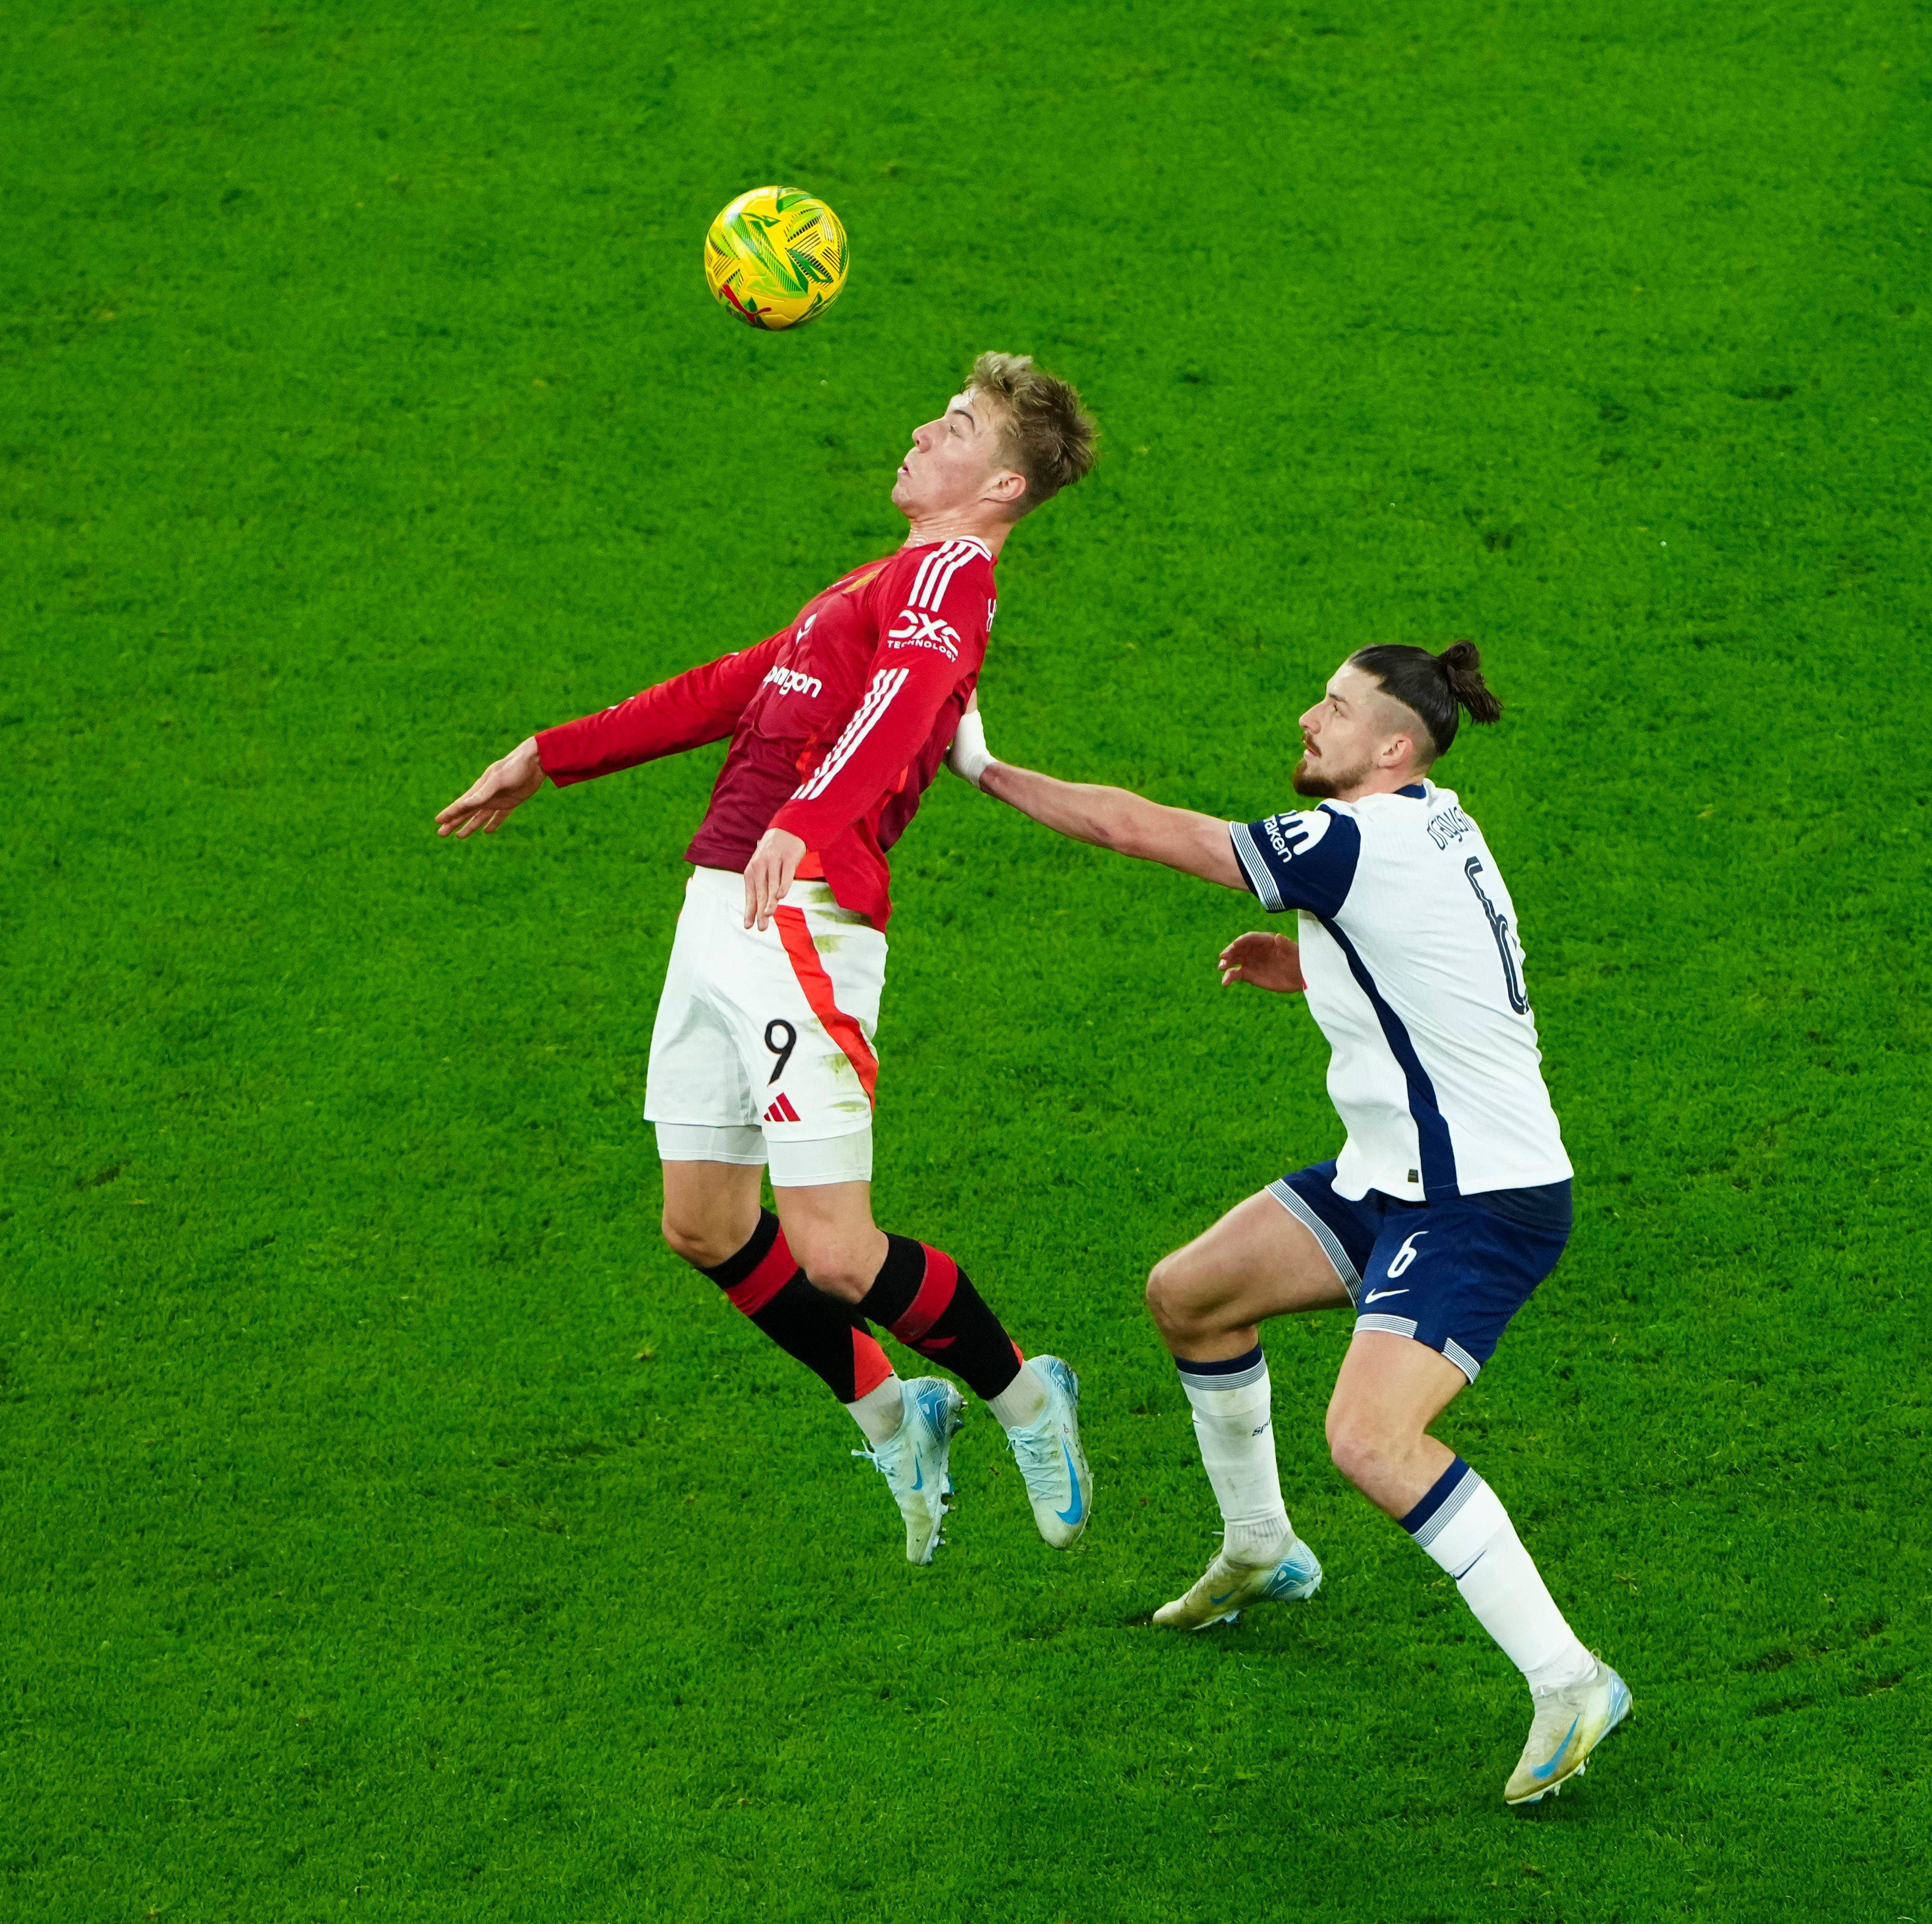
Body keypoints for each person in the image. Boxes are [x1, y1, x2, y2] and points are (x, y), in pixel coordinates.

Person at [433, 355, 1099, 1567]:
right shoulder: (878, 580)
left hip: (806, 916)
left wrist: (810, 819)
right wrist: (548, 754)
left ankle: (1025, 1396)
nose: (921, 429)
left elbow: (909, 701)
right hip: (722, 910)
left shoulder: (950, 577)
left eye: (955, 426)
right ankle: (895, 1415)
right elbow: (732, 688)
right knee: (703, 1223)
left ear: (1002, 485)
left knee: (836, 1252)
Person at [945, 642, 1632, 1805]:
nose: (1311, 719)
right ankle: (1262, 1547)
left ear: (1393, 748)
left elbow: (1140, 828)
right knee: (1191, 1296)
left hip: (1479, 1199)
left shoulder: (1351, 842)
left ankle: (1571, 1679)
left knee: (1371, 1439)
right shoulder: (1435, 823)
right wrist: (1324, 970)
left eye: (1338, 709)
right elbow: (1449, 967)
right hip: (1394, 1175)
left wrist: (981, 766)